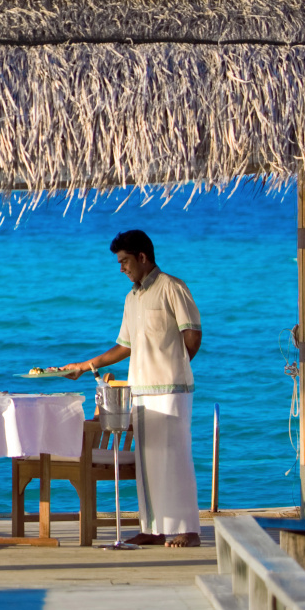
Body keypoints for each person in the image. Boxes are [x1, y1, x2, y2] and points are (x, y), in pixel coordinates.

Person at [57, 229, 204, 547]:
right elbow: (124, 346)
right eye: (119, 262)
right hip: (140, 389)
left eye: (125, 261)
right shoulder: (131, 298)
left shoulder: (172, 287)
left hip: (171, 389)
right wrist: (85, 366)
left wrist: (174, 364)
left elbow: (192, 334)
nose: (121, 268)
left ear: (142, 257)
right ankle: (153, 529)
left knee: (175, 458)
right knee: (147, 462)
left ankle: (187, 530)